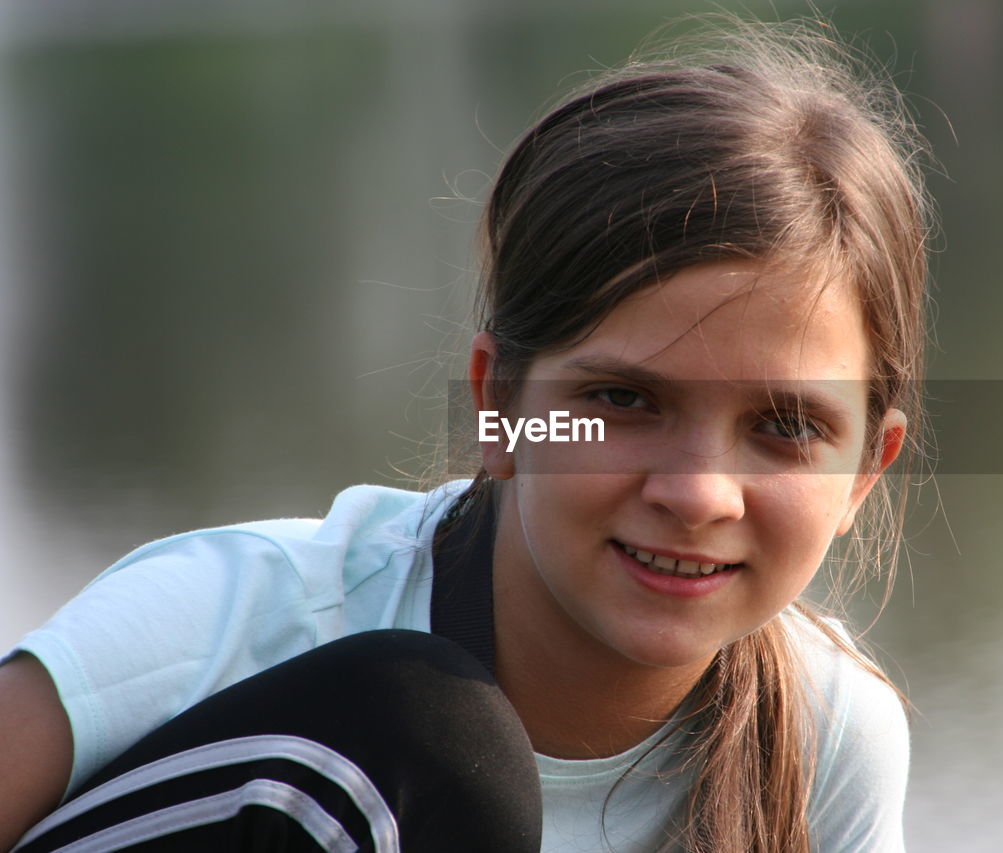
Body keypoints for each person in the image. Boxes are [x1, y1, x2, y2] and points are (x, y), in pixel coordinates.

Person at [0, 17, 931, 853]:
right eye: (622, 400)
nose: (696, 492)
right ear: (500, 408)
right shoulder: (243, 619)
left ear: (863, 471)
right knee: (433, 745)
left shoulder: (829, 740)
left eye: (784, 426)